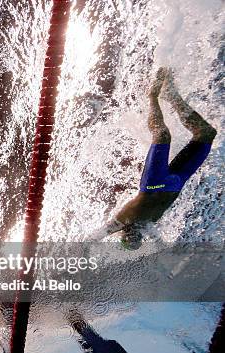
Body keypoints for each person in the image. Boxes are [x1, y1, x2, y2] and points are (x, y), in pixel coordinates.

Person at [92, 68, 217, 249]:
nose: (134, 236)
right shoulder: (149, 228)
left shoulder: (121, 222)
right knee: (206, 133)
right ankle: (171, 96)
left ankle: (152, 96)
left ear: (124, 234)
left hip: (153, 184)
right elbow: (161, 247)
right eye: (137, 240)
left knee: (162, 135)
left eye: (130, 238)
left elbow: (94, 237)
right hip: (177, 181)